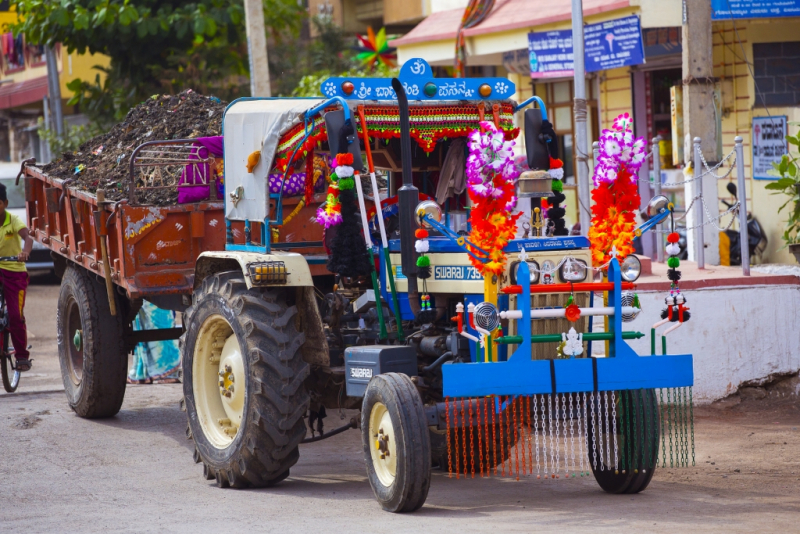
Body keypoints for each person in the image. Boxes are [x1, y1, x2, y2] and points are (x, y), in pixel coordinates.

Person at [0, 183, 33, 371]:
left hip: (14, 272)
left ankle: (22, 356)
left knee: (15, 315)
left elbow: (27, 236)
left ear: (5, 203)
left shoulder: (13, 220)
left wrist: (25, 252)